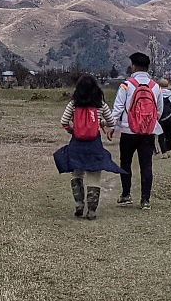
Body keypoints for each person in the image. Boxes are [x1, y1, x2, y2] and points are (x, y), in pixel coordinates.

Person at [53, 74, 123, 220]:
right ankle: (92, 209)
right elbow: (111, 122)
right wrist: (100, 123)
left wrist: (72, 130)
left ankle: (79, 203)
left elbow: (64, 121)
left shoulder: (73, 104)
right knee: (94, 175)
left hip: (77, 143)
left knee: (77, 173)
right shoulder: (100, 104)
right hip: (94, 144)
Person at [112, 52, 163, 210]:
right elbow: (158, 111)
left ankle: (126, 194)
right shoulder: (155, 87)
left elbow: (118, 108)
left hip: (128, 131)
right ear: (147, 67)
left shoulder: (126, 85)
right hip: (148, 132)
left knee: (125, 162)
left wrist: (112, 126)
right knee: (146, 165)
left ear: (133, 66)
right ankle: (145, 200)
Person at [157, 78, 171, 158]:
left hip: (159, 117)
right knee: (168, 134)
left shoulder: (157, 93)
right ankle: (168, 149)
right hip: (170, 117)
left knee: (161, 135)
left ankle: (164, 152)